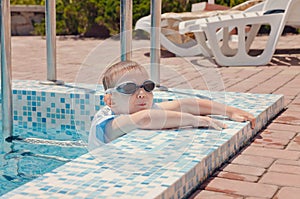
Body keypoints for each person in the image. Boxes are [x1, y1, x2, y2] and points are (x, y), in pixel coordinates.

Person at [88, 60, 255, 150]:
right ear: (110, 100)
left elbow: (186, 104)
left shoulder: (142, 107)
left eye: (147, 86)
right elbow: (144, 119)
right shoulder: (108, 124)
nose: (141, 93)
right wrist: (197, 120)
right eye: (129, 88)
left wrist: (230, 111)